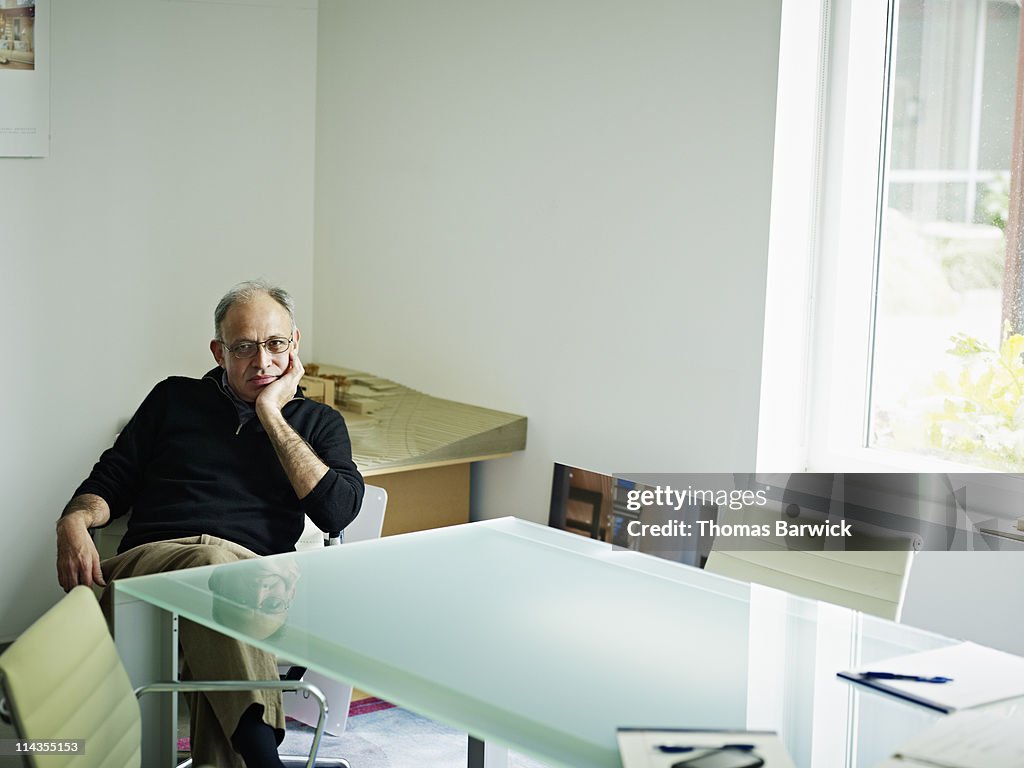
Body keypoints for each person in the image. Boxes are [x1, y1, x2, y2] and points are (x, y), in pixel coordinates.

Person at [55, 279, 364, 768]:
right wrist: (73, 521)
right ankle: (266, 760)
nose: (262, 361)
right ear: (219, 352)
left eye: (275, 344)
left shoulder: (318, 423)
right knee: (214, 565)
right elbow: (112, 479)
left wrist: (270, 413)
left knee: (225, 583)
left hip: (253, 583)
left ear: (295, 344)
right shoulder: (172, 400)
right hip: (149, 575)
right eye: (244, 347)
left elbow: (337, 511)